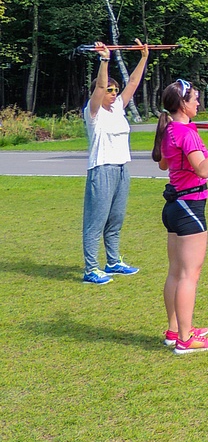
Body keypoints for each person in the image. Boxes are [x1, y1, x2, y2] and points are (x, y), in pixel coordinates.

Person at [152, 78, 208, 354]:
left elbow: (164, 164)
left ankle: (175, 331)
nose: (198, 102)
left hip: (174, 207)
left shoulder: (169, 129)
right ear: (183, 104)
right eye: (195, 98)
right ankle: (186, 339)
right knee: (189, 275)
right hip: (189, 207)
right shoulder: (187, 133)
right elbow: (203, 170)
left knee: (176, 272)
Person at [81, 40, 149, 284]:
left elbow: (132, 83)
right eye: (109, 90)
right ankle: (91, 269)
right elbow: (100, 85)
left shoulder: (118, 108)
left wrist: (143, 57)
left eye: (114, 90)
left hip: (121, 169)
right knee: (95, 222)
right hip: (101, 170)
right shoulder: (93, 112)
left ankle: (113, 262)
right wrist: (105, 59)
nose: (113, 93)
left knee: (115, 220)